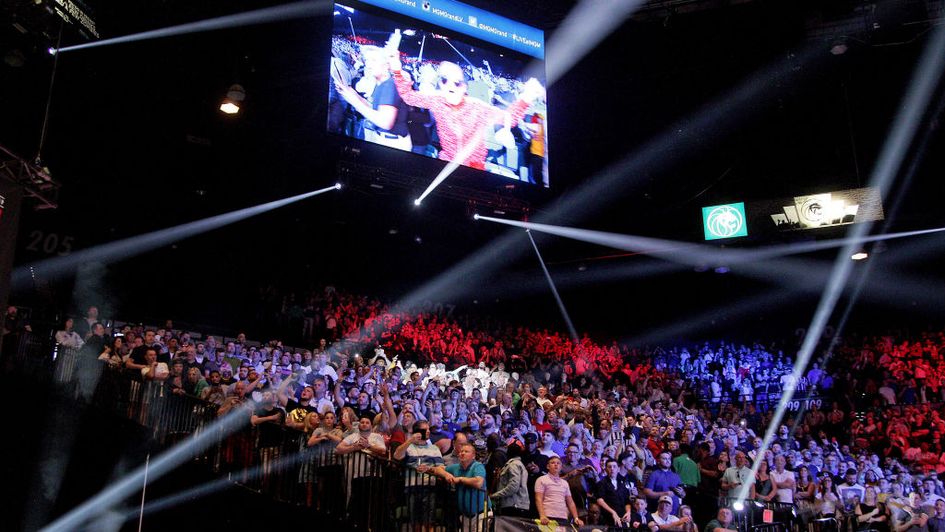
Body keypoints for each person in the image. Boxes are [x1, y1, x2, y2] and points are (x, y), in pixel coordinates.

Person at [388, 40, 546, 170]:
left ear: (464, 87)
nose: (450, 86)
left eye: (456, 83)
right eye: (444, 80)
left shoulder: (477, 107)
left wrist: (527, 97)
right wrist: (396, 67)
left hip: (473, 170)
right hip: (445, 164)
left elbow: (508, 119)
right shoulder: (436, 99)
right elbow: (408, 96)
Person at [334, 42, 412, 151]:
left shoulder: (390, 85)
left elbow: (385, 122)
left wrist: (353, 101)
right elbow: (374, 109)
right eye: (367, 60)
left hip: (392, 144)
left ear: (386, 65)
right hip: (386, 140)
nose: (368, 64)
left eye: (373, 60)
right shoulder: (381, 83)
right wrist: (353, 94)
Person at [444, 442, 489, 530]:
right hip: (465, 516)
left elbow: (478, 482)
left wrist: (460, 479)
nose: (462, 453)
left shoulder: (478, 466)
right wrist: (446, 475)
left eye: (466, 451)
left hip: (481, 514)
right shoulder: (456, 467)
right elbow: (439, 468)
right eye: (461, 451)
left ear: (473, 456)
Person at [535, 455, 584, 527]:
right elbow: (538, 499)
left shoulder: (565, 483)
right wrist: (542, 515)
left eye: (558, 463)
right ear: (548, 466)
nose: (556, 464)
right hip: (547, 517)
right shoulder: (541, 479)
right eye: (553, 463)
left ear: (561, 467)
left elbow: (570, 502)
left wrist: (576, 518)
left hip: (563, 517)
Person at [490, 440, 530, 517]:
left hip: (513, 506)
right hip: (515, 505)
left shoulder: (513, 464)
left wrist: (495, 495)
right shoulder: (517, 464)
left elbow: (513, 487)